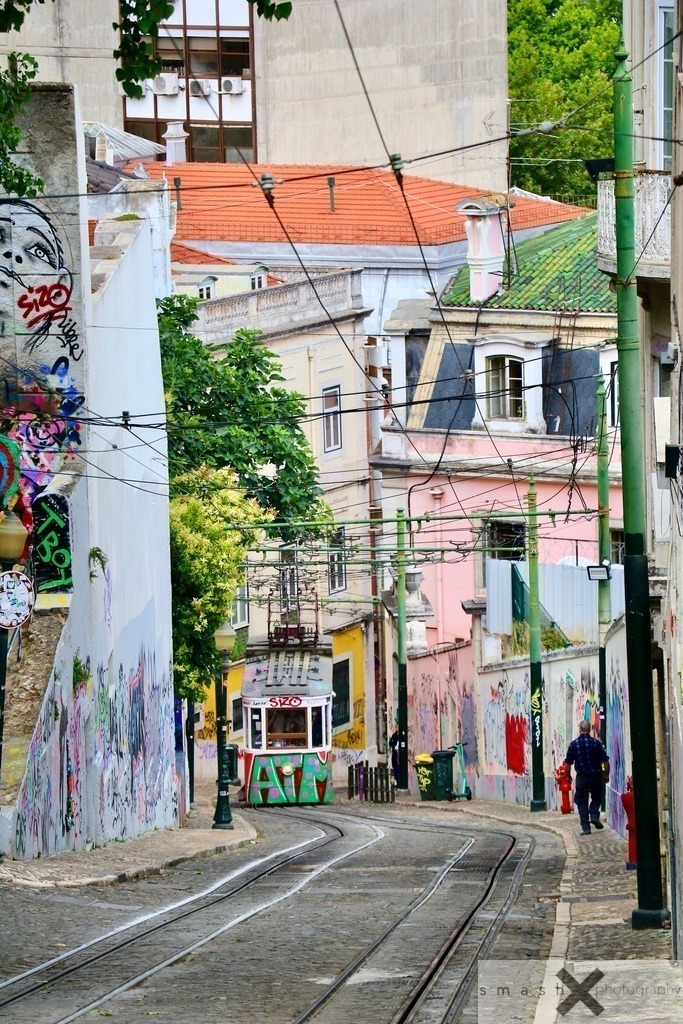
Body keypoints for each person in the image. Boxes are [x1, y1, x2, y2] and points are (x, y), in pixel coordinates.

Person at [565, 720, 610, 835]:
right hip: (596, 776)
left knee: (581, 801)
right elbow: (605, 762)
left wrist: (568, 776)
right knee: (597, 796)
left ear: (580, 729)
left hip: (582, 778)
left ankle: (586, 828)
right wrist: (605, 774)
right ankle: (594, 815)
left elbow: (568, 763)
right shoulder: (596, 743)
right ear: (590, 730)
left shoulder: (574, 744)